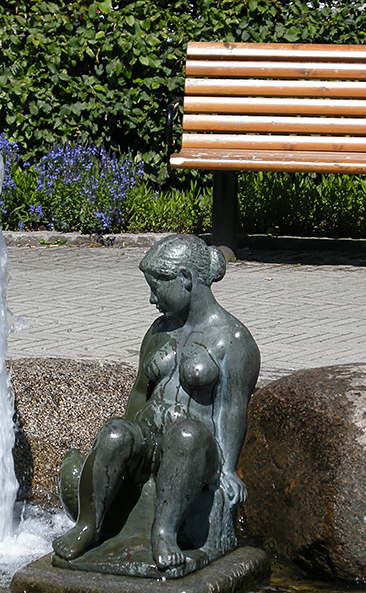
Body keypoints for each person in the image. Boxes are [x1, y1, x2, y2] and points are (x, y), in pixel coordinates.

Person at [52, 235, 260, 573]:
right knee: (116, 432)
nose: (151, 299)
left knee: (186, 436)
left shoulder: (233, 340)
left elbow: (233, 409)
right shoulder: (159, 331)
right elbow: (139, 393)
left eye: (157, 288)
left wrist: (227, 469)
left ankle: (164, 532)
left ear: (186, 279)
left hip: (195, 449)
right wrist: (122, 440)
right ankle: (89, 526)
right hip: (152, 437)